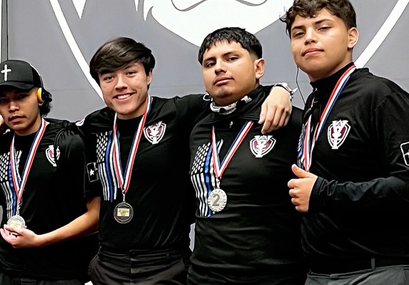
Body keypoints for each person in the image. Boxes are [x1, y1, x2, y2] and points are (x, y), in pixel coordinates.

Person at [79, 37, 292, 284]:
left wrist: (280, 90)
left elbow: (233, 96)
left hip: (167, 265)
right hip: (108, 266)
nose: (120, 85)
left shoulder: (180, 112)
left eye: (131, 73)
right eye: (108, 78)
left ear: (148, 75)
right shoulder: (91, 126)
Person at [283, 0, 409, 284]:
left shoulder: (381, 96)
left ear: (351, 37)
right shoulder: (312, 109)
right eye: (298, 32)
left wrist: (323, 194)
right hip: (319, 273)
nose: (309, 38)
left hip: (380, 271)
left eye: (323, 27)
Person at [187, 27, 306, 284]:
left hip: (275, 276)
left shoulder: (292, 122)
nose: (219, 68)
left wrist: (281, 89)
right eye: (210, 63)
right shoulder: (198, 128)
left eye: (231, 58)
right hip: (204, 277)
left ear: (258, 68)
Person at [0, 59, 99, 285]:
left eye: (21, 97)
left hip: (57, 274)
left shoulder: (68, 141)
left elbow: (96, 217)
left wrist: (41, 240)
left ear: (39, 97)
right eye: (4, 101)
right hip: (3, 270)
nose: (13, 107)